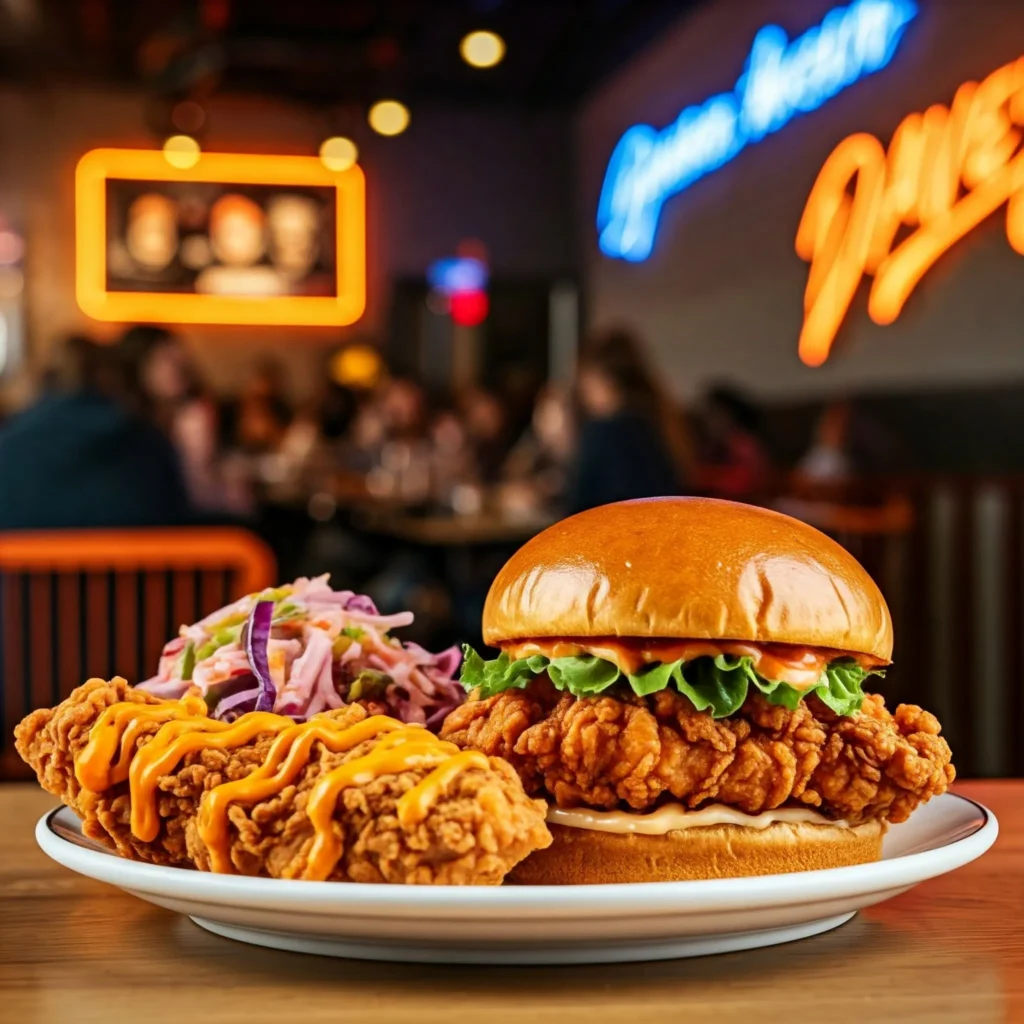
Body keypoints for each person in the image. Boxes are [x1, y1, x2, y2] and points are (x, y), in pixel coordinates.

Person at [0, 335, 192, 528]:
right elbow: (177, 517)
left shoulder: (10, 441)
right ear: (113, 379)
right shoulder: (145, 441)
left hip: (17, 554)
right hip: (137, 554)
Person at [567, 327, 689, 513]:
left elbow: (582, 504)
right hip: (662, 531)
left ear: (600, 379)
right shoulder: (659, 422)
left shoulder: (604, 431)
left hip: (612, 535)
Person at [695, 384, 771, 502]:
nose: (709, 420)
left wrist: (704, 477)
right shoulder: (709, 444)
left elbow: (744, 482)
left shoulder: (742, 444)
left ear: (730, 415)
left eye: (715, 414)